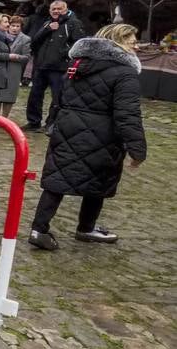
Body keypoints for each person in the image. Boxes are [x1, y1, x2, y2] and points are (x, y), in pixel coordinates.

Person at [28, 24, 146, 250]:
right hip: (103, 134)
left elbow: (59, 97)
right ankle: (86, 227)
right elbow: (127, 113)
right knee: (99, 179)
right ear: (117, 42)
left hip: (67, 127)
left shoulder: (78, 63)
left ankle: (39, 228)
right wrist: (137, 148)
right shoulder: (124, 73)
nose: (137, 45)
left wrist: (54, 123)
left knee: (57, 179)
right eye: (132, 41)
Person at [25, 0, 84, 131]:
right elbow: (34, 42)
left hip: (59, 67)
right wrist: (47, 30)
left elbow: (78, 44)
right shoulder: (47, 23)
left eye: (59, 9)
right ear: (50, 11)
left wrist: (63, 53)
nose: (56, 11)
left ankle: (51, 124)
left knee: (57, 97)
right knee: (34, 95)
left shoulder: (74, 23)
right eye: (54, 9)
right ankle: (33, 122)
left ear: (66, 9)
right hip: (41, 66)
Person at [0, 14, 31, 117]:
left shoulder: (25, 39)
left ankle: (5, 118)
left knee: (9, 96)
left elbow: (27, 57)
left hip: (13, 70)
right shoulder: (0, 35)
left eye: (17, 26)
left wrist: (16, 57)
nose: (13, 27)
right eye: (11, 25)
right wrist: (9, 56)